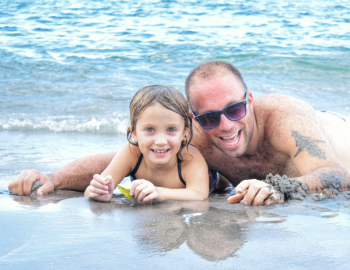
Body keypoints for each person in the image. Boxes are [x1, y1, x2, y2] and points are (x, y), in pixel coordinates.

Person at [9, 61, 350, 206]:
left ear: (249, 100)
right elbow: (128, 159)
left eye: (234, 110)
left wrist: (276, 188)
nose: (226, 126)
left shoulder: (283, 118)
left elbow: (336, 175)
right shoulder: (197, 134)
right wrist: (53, 178)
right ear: (193, 118)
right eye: (210, 117)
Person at [84, 85, 209, 203]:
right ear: (134, 133)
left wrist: (160, 192)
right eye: (150, 129)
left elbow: (199, 193)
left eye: (171, 129)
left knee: (221, 182)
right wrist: (99, 192)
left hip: (209, 176)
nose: (160, 142)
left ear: (184, 133)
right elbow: (88, 192)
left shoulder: (190, 156)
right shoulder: (132, 152)